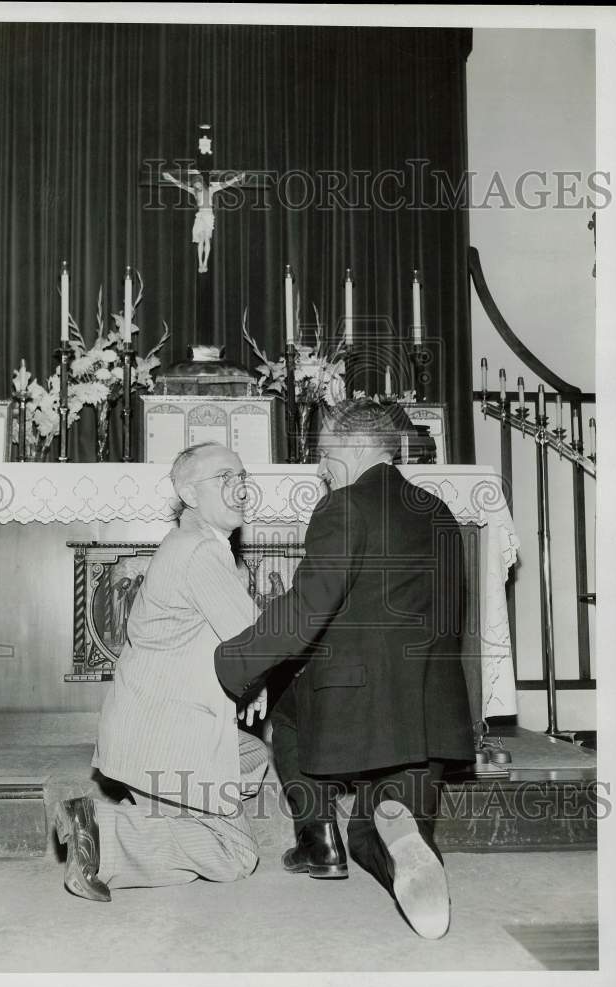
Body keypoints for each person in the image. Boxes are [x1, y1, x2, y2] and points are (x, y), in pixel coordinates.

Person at [214, 399, 474, 939]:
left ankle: (316, 835)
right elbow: (449, 610)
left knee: (284, 713)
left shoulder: (344, 506)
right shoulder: (439, 509)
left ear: (356, 446)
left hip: (357, 703)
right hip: (428, 711)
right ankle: (398, 834)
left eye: (326, 453)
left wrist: (234, 662)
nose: (321, 468)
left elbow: (306, 612)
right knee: (379, 829)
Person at [55, 442, 268, 902]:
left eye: (242, 476)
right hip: (166, 738)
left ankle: (169, 815)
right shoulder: (199, 552)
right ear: (190, 494)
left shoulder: (190, 544)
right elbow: (258, 637)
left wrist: (254, 680)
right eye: (223, 478)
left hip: (146, 731)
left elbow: (235, 641)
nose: (239, 489)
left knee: (251, 755)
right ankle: (103, 831)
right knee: (236, 855)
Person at [162, 170, 246, 273]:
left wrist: (236, 178)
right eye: (196, 185)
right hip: (200, 216)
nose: (198, 187)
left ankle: (205, 262)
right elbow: (181, 185)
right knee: (200, 240)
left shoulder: (210, 190)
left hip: (208, 216)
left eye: (199, 184)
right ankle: (200, 264)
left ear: (202, 183)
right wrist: (170, 178)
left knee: (206, 239)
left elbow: (224, 185)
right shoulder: (194, 192)